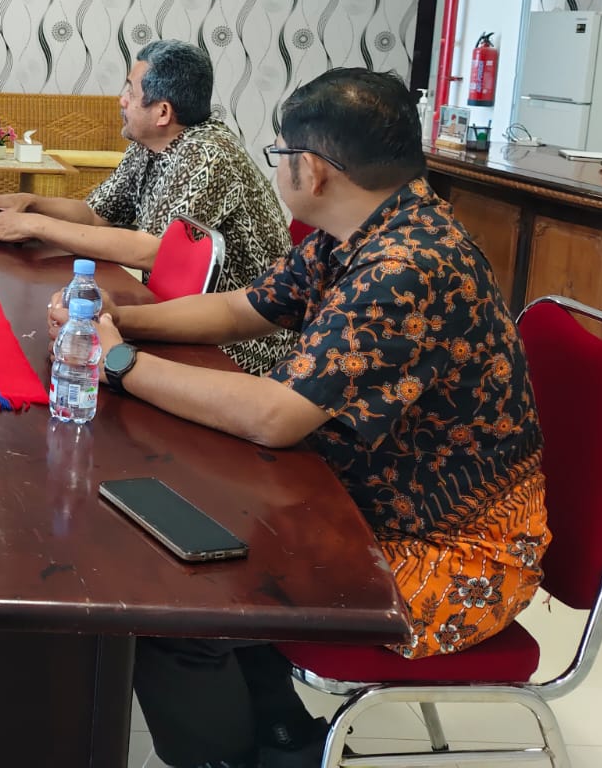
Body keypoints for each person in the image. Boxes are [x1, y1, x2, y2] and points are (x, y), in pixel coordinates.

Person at [50, 68, 549, 768]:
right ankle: (276, 730)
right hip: (364, 500)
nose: (279, 166)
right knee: (184, 527)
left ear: (310, 168)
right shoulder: (365, 229)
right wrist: (120, 321)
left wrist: (119, 363)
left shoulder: (407, 265)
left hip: (448, 552)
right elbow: (245, 307)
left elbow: (276, 417)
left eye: (280, 153)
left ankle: (231, 755)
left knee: (167, 601)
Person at [0, 39, 291, 374]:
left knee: (57, 350)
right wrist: (33, 205)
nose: (121, 100)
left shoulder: (207, 153)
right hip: (171, 310)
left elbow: (152, 251)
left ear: (162, 112)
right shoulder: (150, 143)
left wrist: (35, 225)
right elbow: (96, 215)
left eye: (130, 91)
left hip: (240, 341)